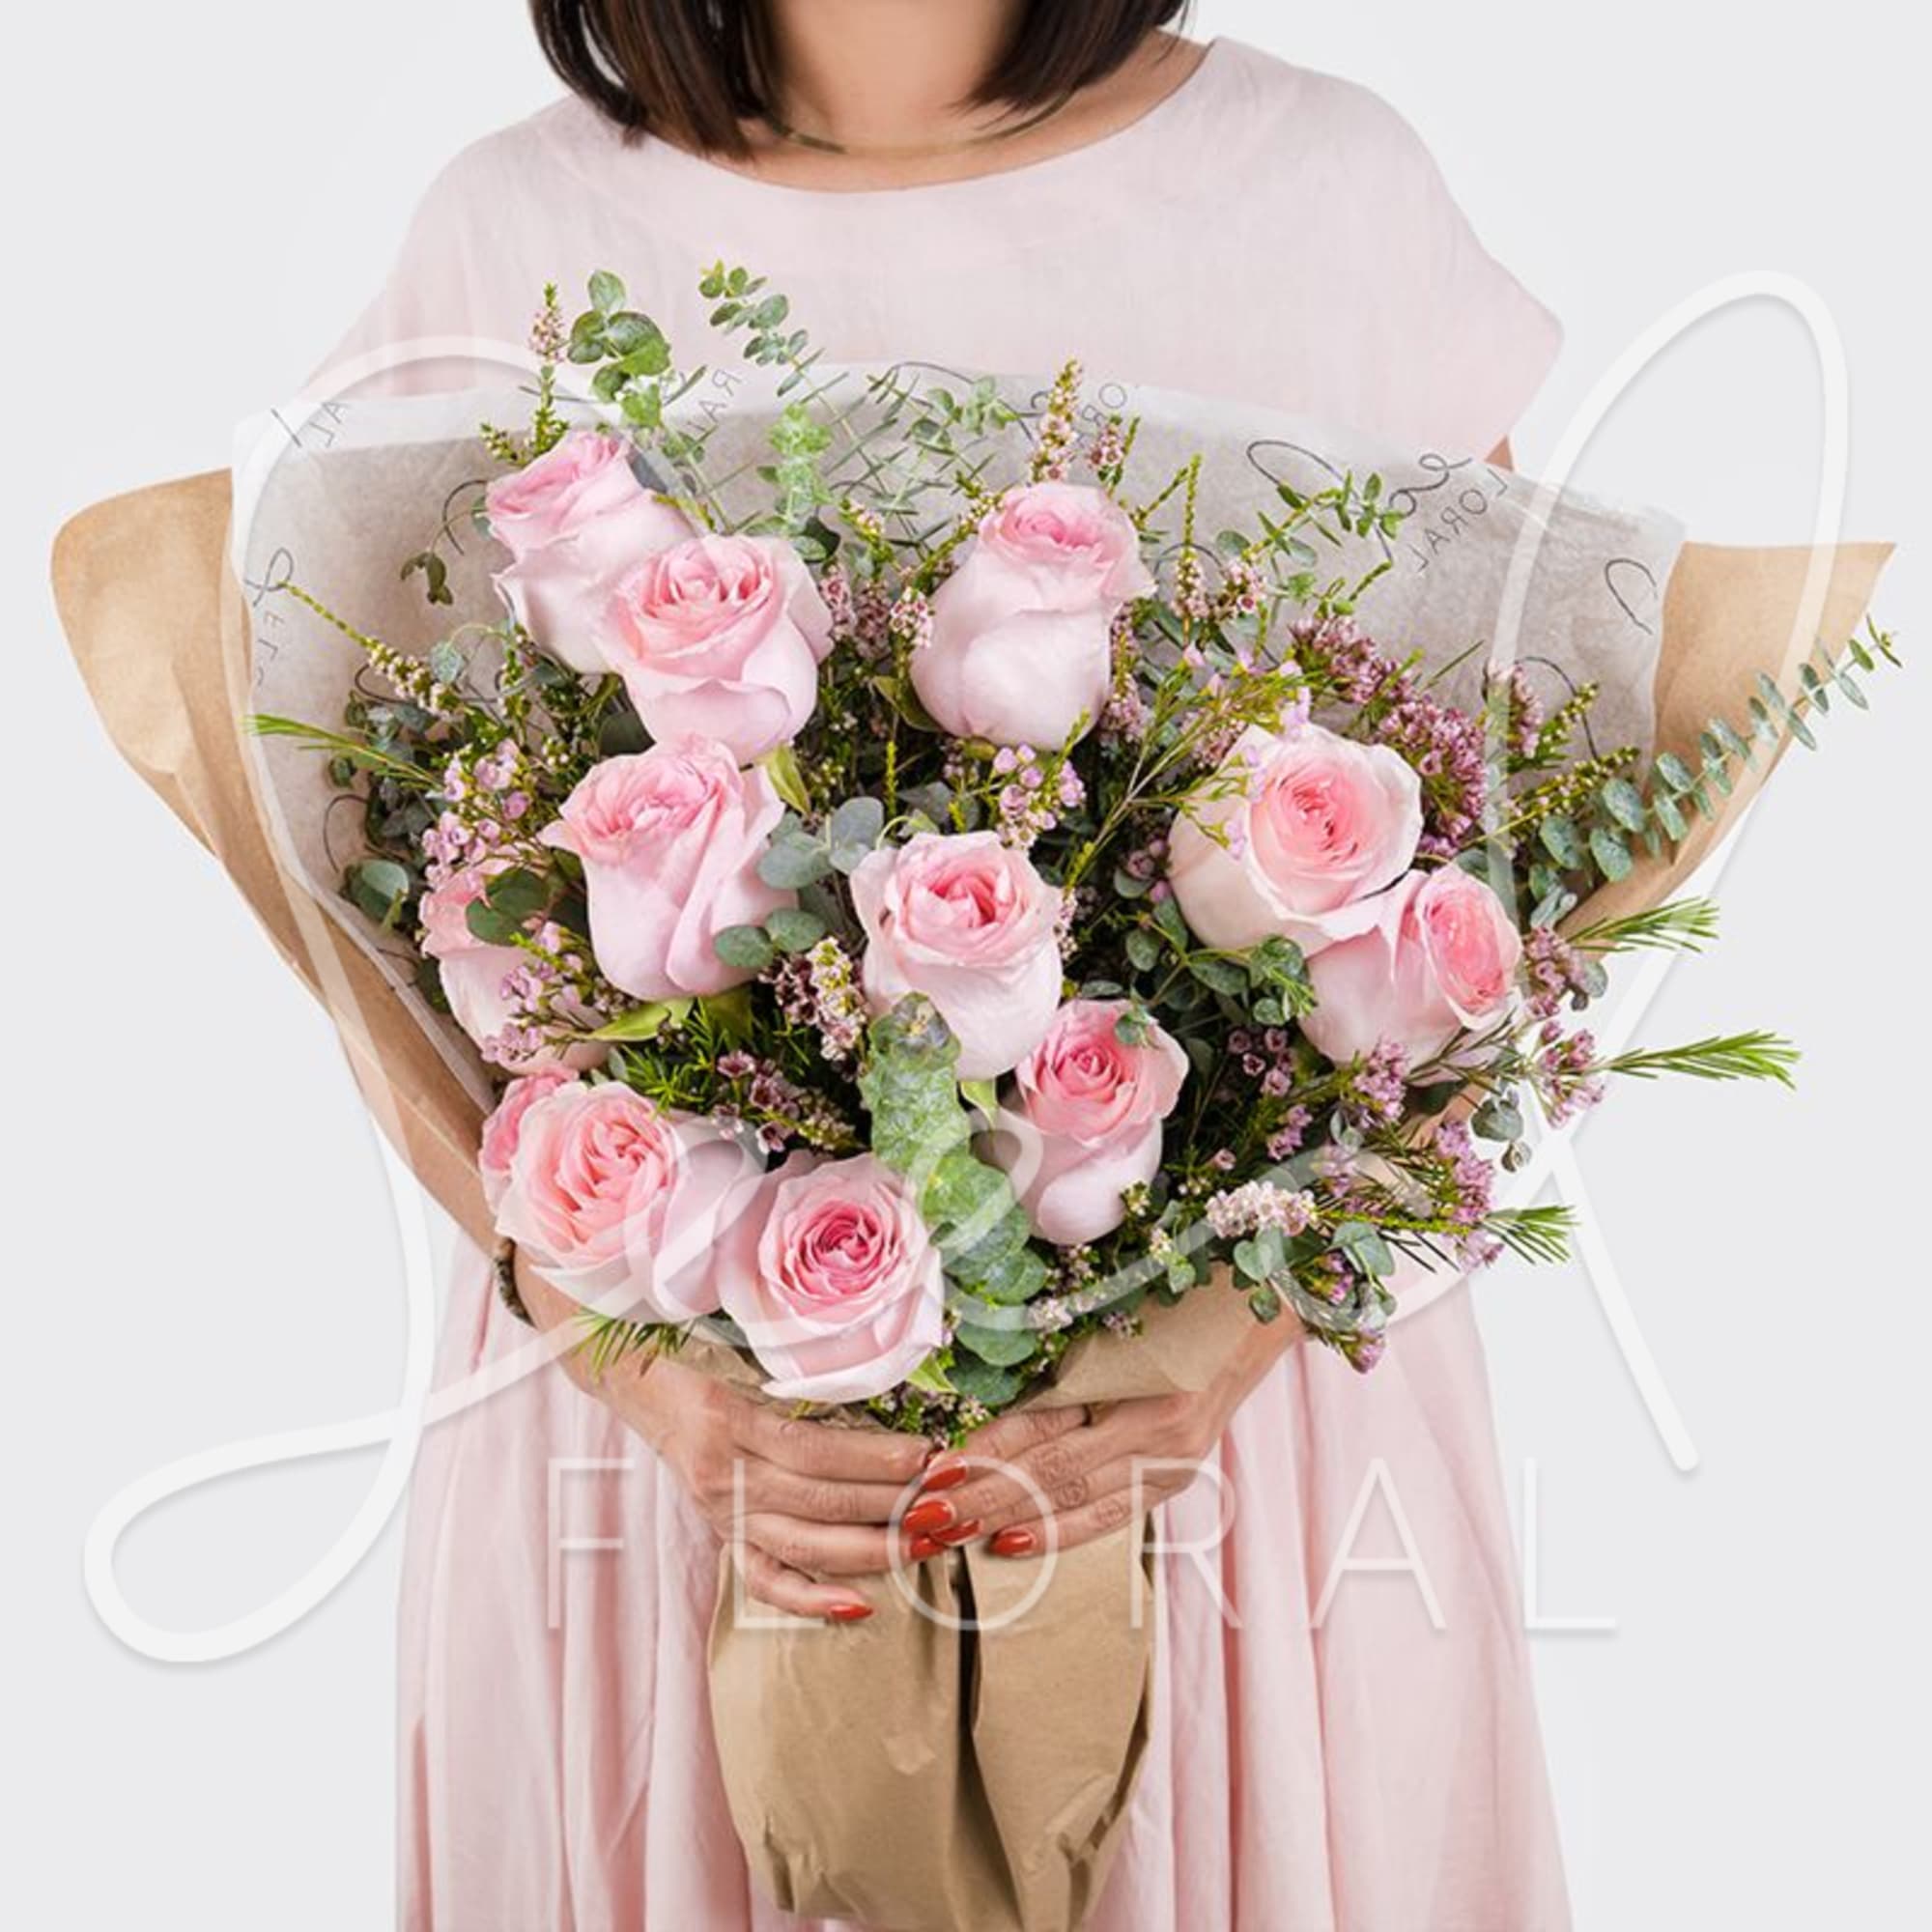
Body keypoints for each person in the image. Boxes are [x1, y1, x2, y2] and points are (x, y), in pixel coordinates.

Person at [328, 4, 1571, 1924]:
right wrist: (661, 1383)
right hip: (690, 1478)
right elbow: (380, 928)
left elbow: (1498, 882)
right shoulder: (512, 236)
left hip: (1226, 1468)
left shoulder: (1323, 196)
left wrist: (1211, 1347)